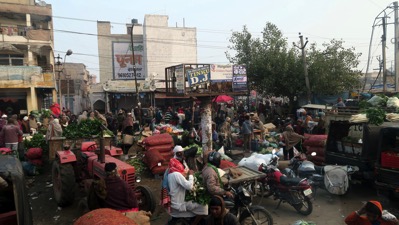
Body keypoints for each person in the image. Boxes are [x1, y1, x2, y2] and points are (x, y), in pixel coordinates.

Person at [167, 146, 208, 224]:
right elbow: (189, 186)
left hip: (177, 200)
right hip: (179, 203)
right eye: (180, 154)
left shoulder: (171, 171)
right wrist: (191, 175)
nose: (182, 157)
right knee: (204, 206)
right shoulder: (176, 174)